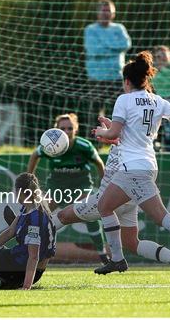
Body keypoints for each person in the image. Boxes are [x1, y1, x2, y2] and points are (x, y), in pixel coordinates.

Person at [92, 51, 170, 277]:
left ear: (127, 81)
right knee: (156, 217)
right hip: (148, 164)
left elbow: (115, 133)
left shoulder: (124, 99)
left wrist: (102, 131)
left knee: (106, 207)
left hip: (132, 168)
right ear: (145, 79)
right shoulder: (157, 100)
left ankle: (118, 260)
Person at [51, 116, 170, 283]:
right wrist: (108, 129)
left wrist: (106, 131)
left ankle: (32, 251)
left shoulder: (128, 142)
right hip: (128, 198)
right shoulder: (134, 140)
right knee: (132, 243)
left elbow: (117, 138)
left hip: (109, 198)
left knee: (61, 216)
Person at [27, 113, 108, 264]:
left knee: (89, 212)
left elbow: (99, 163)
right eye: (62, 128)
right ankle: (30, 251)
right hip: (57, 187)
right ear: (56, 130)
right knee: (39, 214)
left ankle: (102, 252)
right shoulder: (49, 146)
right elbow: (34, 155)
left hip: (80, 186)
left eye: (70, 128)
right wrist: (29, 179)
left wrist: (105, 185)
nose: (66, 131)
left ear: (76, 129)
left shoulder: (84, 146)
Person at [84, 0, 131, 96]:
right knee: (95, 110)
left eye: (108, 11)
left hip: (117, 76)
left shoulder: (119, 28)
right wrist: (115, 48)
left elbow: (126, 44)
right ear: (97, 13)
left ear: (113, 14)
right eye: (103, 10)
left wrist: (104, 44)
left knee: (119, 109)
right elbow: (94, 51)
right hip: (96, 77)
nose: (106, 14)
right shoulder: (90, 29)